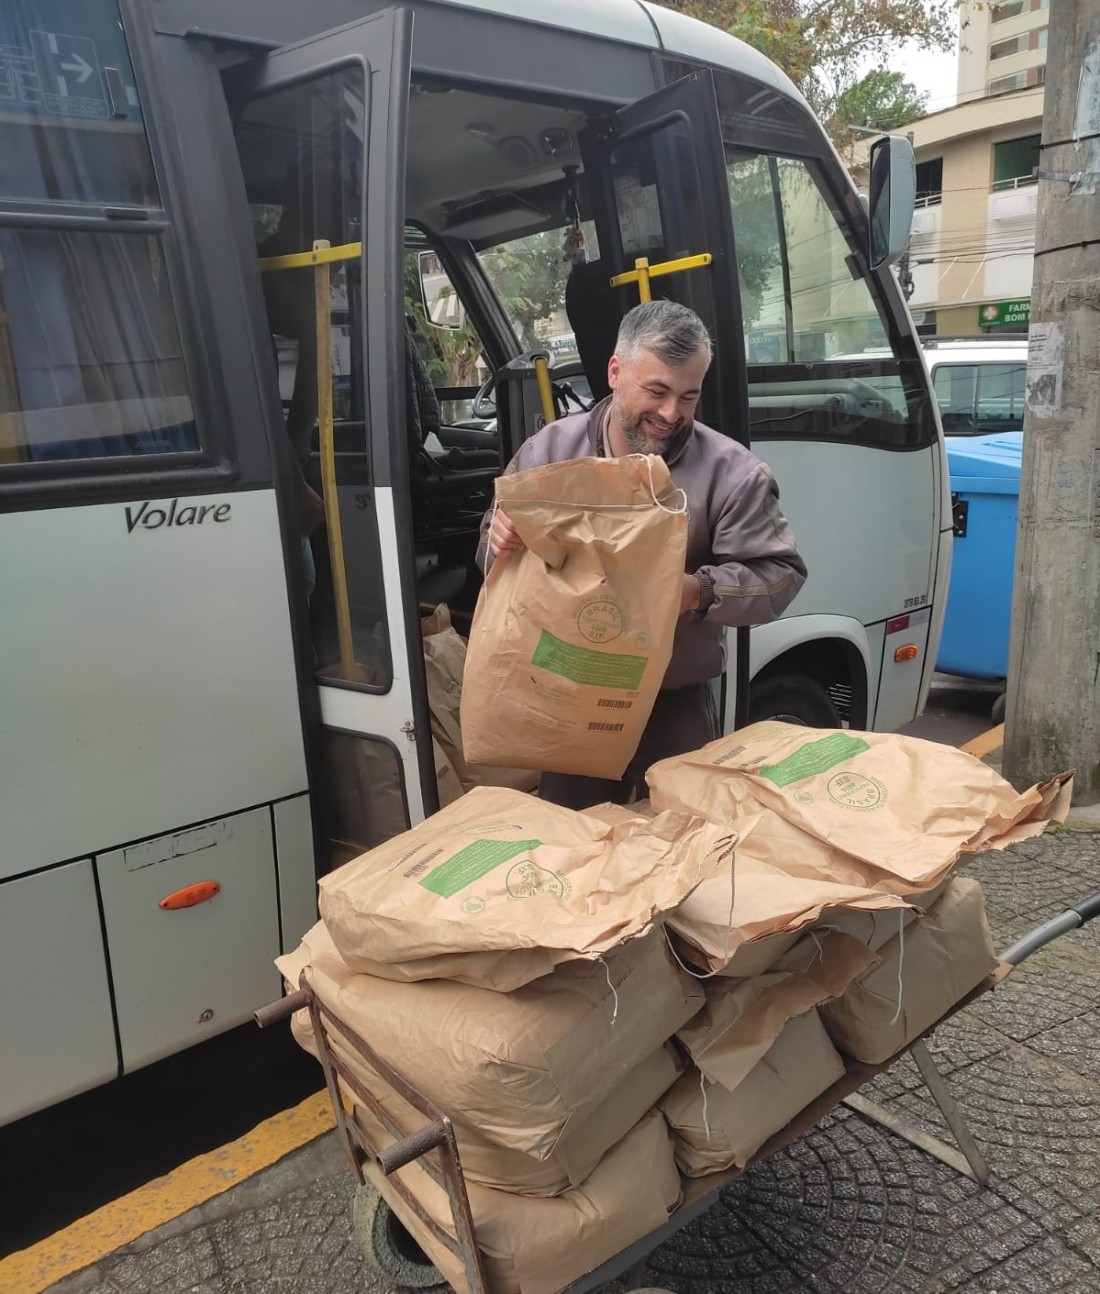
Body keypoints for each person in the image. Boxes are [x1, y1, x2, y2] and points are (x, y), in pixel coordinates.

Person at [478, 298, 807, 809]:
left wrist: (697, 591)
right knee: (573, 836)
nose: (671, 413)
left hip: (673, 700)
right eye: (656, 391)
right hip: (565, 694)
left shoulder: (735, 474)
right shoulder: (548, 452)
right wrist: (499, 541)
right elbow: (489, 554)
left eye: (688, 397)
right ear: (615, 372)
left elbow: (781, 575)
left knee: (687, 836)